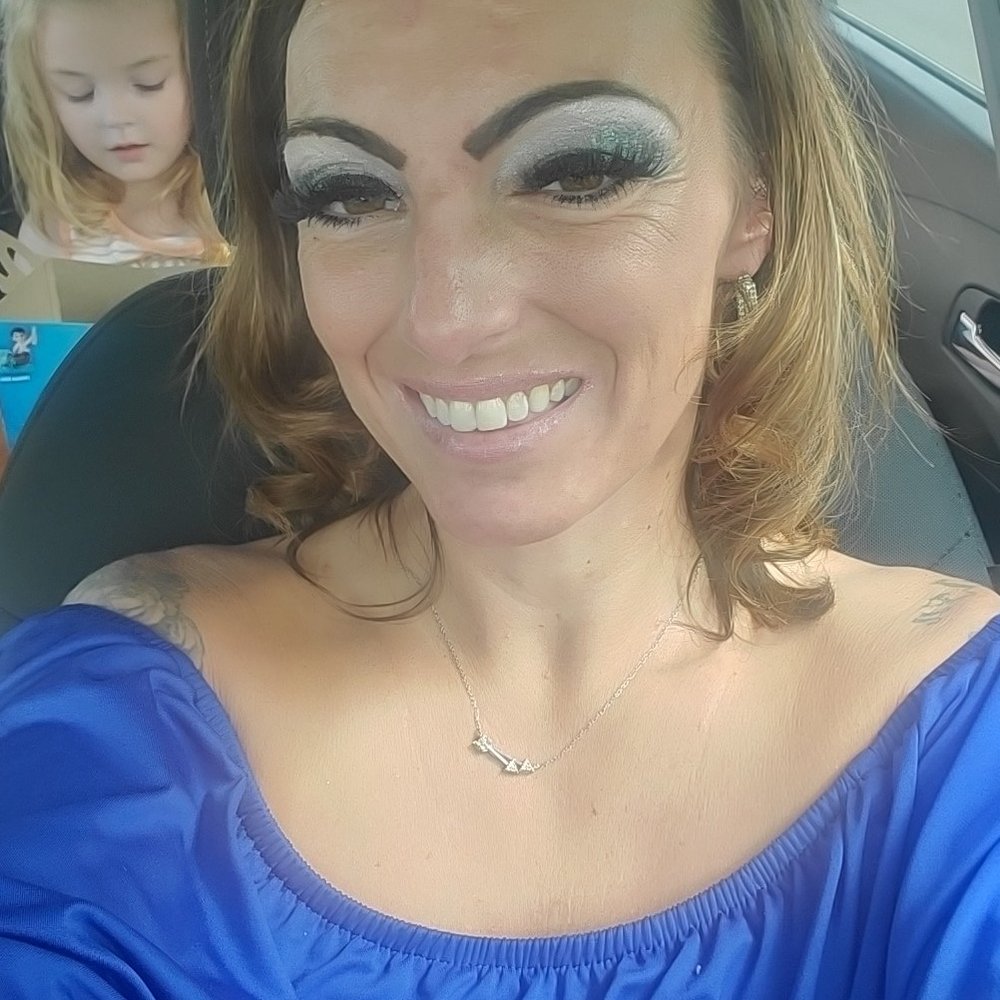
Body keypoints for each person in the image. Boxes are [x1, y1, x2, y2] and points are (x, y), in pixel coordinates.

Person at [2, 0, 1000, 995]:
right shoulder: (127, 713)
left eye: (578, 172)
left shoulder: (959, 731)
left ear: (755, 199)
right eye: (347, 194)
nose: (448, 318)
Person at [1, 0, 229, 268]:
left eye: (148, 83)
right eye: (80, 92)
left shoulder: (242, 212)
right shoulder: (52, 234)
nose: (114, 118)